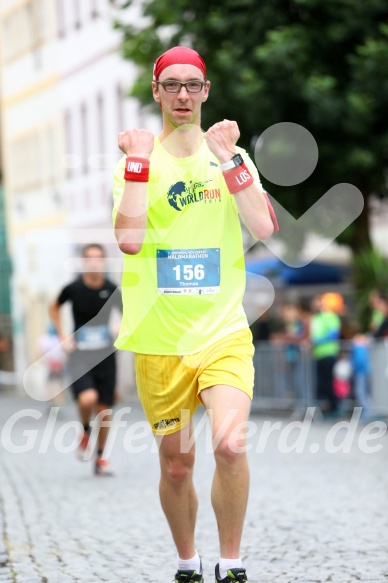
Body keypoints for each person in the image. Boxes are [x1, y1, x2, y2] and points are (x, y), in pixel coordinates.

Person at [112, 46, 278, 583]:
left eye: (193, 85)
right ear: (157, 93)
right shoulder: (136, 163)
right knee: (177, 465)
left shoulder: (229, 156)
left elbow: (265, 227)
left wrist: (230, 157)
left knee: (230, 444)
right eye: (172, 85)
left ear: (206, 92)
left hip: (223, 330)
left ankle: (231, 563)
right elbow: (130, 240)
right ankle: (189, 561)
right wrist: (138, 166)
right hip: (160, 338)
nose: (183, 95)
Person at [49, 243, 122, 476]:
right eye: (89, 258)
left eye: (98, 258)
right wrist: (62, 335)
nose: (94, 263)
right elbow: (54, 307)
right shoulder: (73, 288)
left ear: (104, 262)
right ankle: (84, 430)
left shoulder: (112, 289)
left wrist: (120, 328)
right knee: (87, 399)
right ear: (83, 262)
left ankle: (100, 458)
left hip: (106, 356)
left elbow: (128, 312)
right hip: (80, 355)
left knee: (105, 410)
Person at [309, 293, 341, 415]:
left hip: (329, 353)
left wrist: (316, 342)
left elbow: (333, 334)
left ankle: (334, 407)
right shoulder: (315, 318)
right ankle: (327, 408)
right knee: (321, 383)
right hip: (318, 355)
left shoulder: (330, 316)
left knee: (327, 383)